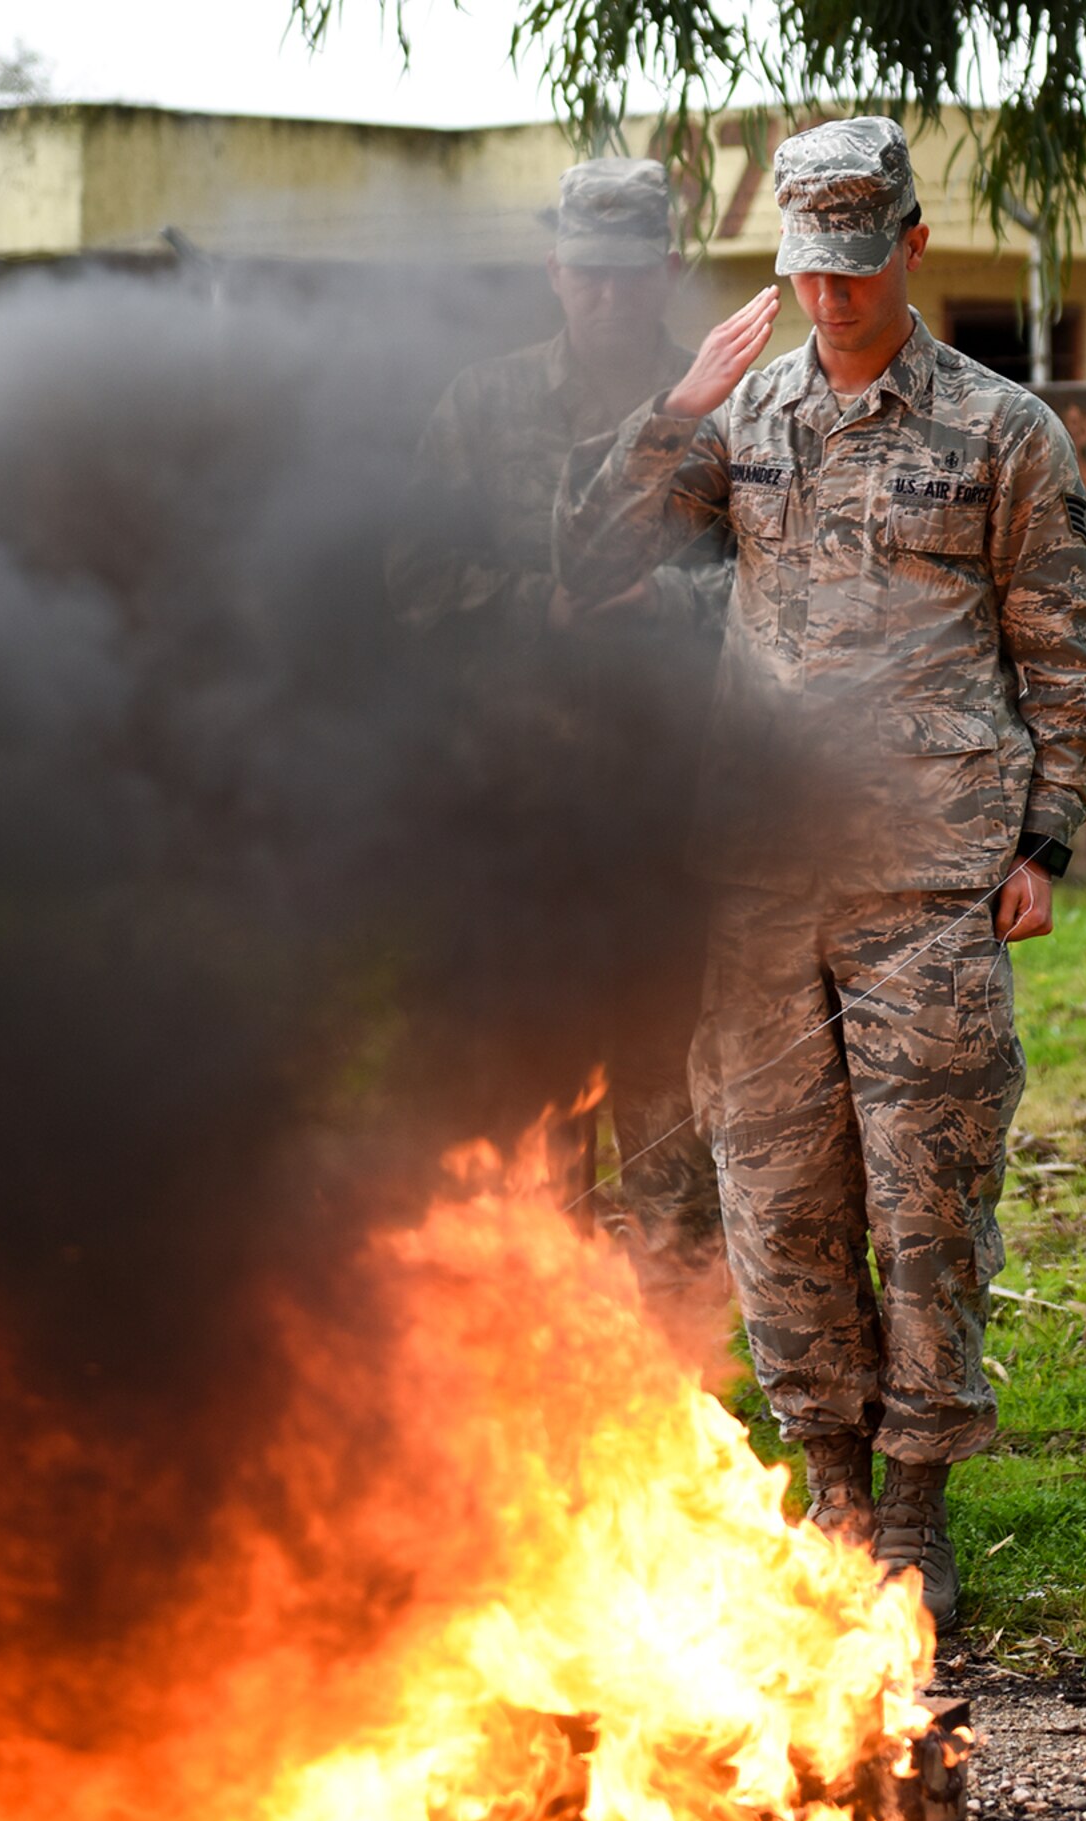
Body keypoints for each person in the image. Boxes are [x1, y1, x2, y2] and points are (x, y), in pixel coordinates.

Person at [553, 117, 1086, 1629]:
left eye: (857, 270)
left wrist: (1047, 836)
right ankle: (834, 1491)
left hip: (930, 881)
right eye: (808, 271)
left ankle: (922, 1504)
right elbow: (587, 558)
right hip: (757, 883)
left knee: (928, 1203)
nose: (830, 299)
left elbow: (1069, 653)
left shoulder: (1004, 432)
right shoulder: (742, 424)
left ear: (912, 252)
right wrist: (678, 401)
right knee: (777, 1195)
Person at [388, 158, 733, 1320]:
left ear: (667, 272)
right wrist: (529, 602)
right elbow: (409, 575)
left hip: (669, 818)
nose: (606, 296)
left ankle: (677, 1378)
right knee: (534, 1111)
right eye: (585, 274)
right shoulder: (479, 406)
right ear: (553, 271)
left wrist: (666, 609)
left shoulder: (727, 404)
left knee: (670, 1111)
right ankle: (542, 1386)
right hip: (520, 816)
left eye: (629, 276)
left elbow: (784, 589)